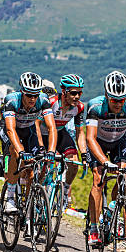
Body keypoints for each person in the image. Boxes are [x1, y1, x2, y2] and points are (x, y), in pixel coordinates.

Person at [85, 71, 126, 246]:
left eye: (121, 100)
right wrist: (105, 162)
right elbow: (90, 138)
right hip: (98, 142)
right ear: (107, 95)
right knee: (98, 179)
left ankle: (113, 206)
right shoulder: (95, 106)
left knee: (125, 175)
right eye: (114, 100)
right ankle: (93, 227)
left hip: (119, 141)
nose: (118, 103)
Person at [0, 72, 57, 214]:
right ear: (22, 92)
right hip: (9, 130)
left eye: (35, 95)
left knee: (33, 169)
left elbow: (52, 128)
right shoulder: (11, 100)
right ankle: (10, 198)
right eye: (29, 95)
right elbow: (11, 130)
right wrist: (21, 152)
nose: (32, 99)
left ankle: (27, 204)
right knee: (15, 151)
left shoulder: (43, 100)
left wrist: (51, 151)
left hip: (28, 130)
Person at [36, 74, 87, 209]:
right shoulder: (51, 102)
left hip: (59, 132)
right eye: (73, 93)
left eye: (80, 93)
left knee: (73, 162)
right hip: (42, 133)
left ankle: (65, 191)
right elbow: (36, 124)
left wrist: (84, 153)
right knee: (43, 166)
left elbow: (80, 132)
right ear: (64, 91)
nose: (77, 96)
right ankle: (36, 190)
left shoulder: (79, 107)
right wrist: (41, 147)